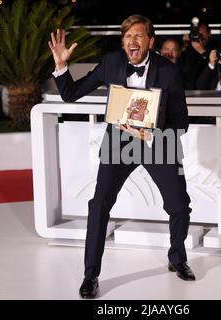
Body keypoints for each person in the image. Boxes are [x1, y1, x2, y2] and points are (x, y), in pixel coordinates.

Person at [48, 14, 195, 299]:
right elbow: (71, 94)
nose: (132, 41)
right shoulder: (111, 63)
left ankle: (177, 258)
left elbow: (182, 123)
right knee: (99, 203)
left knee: (179, 205)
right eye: (127, 36)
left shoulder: (168, 71)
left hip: (158, 142)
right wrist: (61, 65)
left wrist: (151, 135)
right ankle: (90, 275)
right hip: (118, 144)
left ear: (150, 41)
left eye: (138, 36)